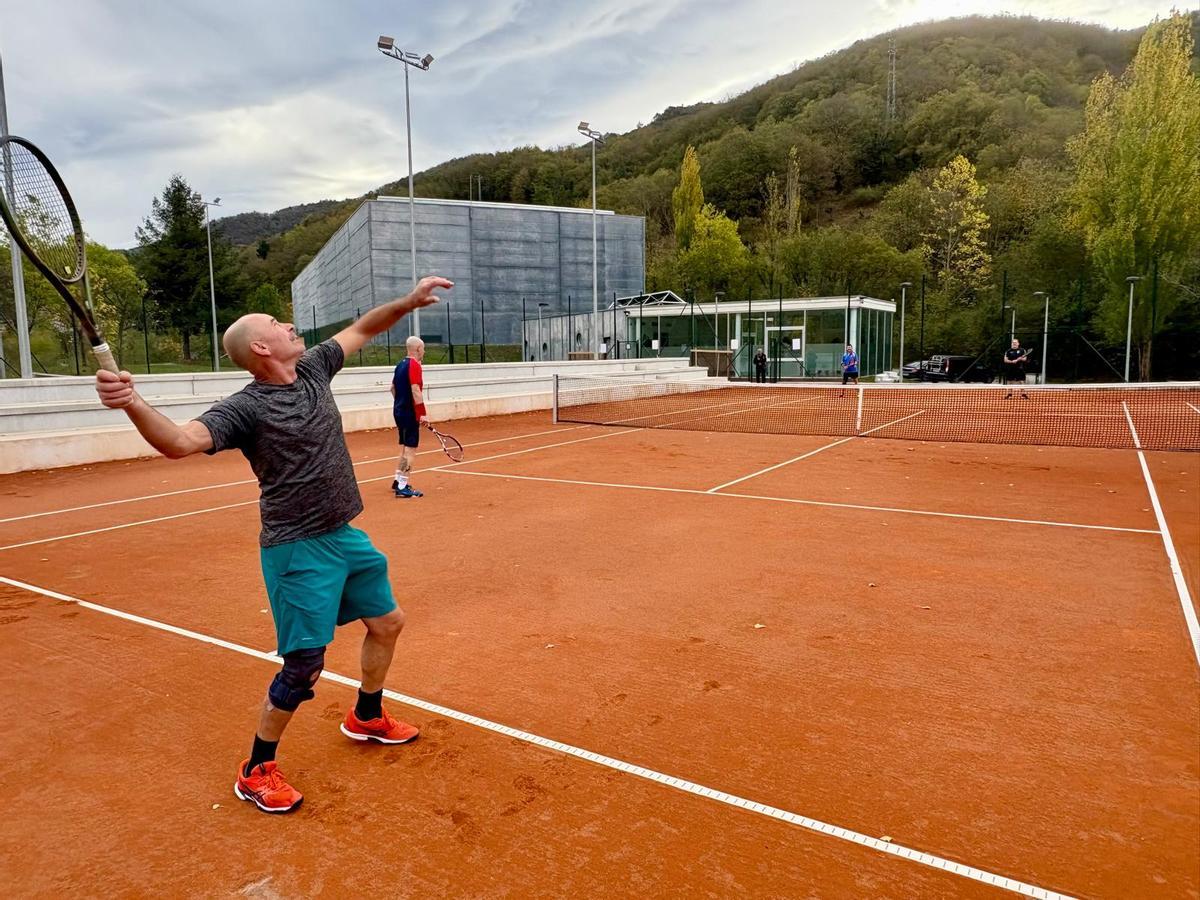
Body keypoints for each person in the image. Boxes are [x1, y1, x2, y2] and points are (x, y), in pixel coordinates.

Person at [94, 275, 453, 814]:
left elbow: (362, 327)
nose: (289, 324)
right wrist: (131, 402)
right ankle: (257, 766)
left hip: (344, 535)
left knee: (388, 622)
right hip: (296, 549)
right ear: (262, 348)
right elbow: (178, 441)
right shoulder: (245, 408)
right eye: (276, 324)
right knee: (304, 663)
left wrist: (407, 302)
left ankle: (367, 715)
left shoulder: (313, 368)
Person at [391, 336, 428, 498]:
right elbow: (415, 390)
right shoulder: (414, 365)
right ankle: (402, 486)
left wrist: (400, 403)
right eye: (423, 349)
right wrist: (422, 414)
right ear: (418, 349)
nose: (424, 352)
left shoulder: (400, 365)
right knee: (410, 449)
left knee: (405, 447)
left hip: (399, 411)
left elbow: (392, 388)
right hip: (409, 413)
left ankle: (398, 480)